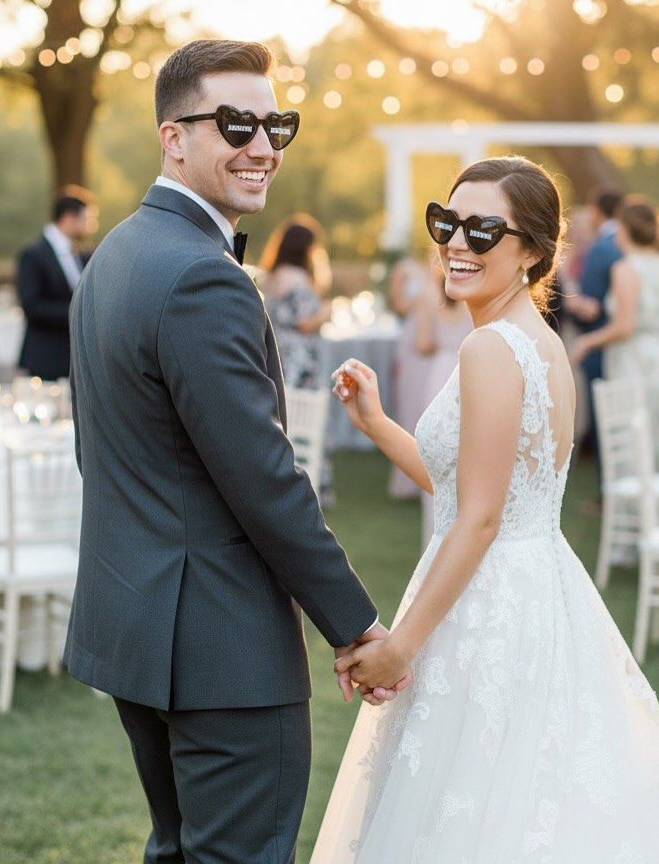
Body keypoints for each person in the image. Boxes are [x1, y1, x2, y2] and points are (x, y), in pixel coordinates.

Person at [65, 39, 404, 864]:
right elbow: (264, 479)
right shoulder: (199, 277)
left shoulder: (117, 251)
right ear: (173, 137)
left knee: (179, 850)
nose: (263, 145)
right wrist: (356, 625)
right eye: (236, 123)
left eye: (275, 123)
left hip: (138, 628)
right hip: (221, 648)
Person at [316, 157, 659, 863]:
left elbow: (480, 518)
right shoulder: (538, 343)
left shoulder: (491, 347)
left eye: (483, 229)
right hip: (534, 591)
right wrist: (376, 424)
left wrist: (401, 645)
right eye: (447, 222)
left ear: (531, 251)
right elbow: (468, 485)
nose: (457, 243)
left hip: (484, 597)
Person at [571, 196, 659, 472]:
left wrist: (587, 341)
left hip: (635, 361)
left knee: (633, 438)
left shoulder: (626, 268)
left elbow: (624, 325)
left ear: (624, 229)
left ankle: (635, 507)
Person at [563, 185, 624, 458]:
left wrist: (572, 299)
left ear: (596, 211)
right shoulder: (618, 244)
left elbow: (591, 304)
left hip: (596, 337)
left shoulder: (601, 247)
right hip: (610, 337)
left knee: (601, 411)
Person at [414, 268, 472, 547]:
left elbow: (422, 343)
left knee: (435, 452)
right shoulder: (475, 296)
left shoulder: (431, 297)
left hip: (440, 372)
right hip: (470, 369)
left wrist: (444, 345)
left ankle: (435, 539)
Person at [17, 187, 95, 380]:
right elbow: (32, 306)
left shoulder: (84, 254)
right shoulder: (33, 255)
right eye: (87, 219)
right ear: (68, 218)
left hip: (75, 359)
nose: (92, 226)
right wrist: (78, 312)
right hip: (45, 357)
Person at [259, 214, 332, 389]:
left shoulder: (272, 276)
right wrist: (326, 312)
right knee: (302, 413)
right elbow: (304, 322)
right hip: (298, 359)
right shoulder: (297, 278)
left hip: (277, 355)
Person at [388, 255, 436, 499]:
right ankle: (407, 479)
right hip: (412, 344)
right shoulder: (404, 268)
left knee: (426, 405)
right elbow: (398, 306)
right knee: (409, 407)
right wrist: (421, 301)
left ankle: (428, 475)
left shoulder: (444, 268)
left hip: (433, 344)